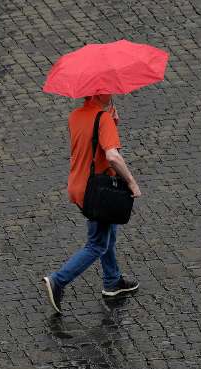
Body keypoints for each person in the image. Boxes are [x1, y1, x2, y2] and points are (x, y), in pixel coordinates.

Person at [43, 94, 142, 314]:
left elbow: (91, 144)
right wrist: (131, 182)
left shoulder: (75, 116)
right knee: (97, 243)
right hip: (97, 191)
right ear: (99, 93)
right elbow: (112, 157)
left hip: (78, 185)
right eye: (108, 90)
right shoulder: (102, 119)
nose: (113, 93)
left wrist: (111, 123)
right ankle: (58, 280)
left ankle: (112, 280)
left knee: (108, 229)